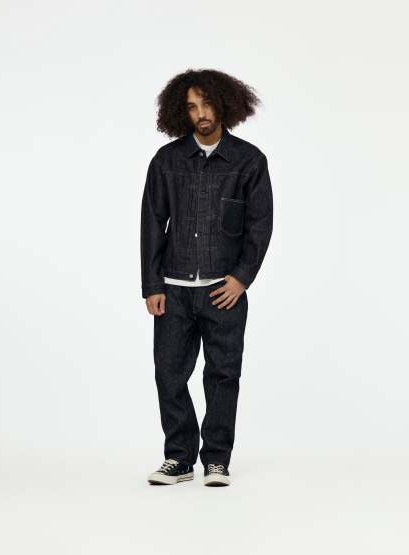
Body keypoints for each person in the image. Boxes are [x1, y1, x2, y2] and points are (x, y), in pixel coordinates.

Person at [140, 68, 273, 486]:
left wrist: (241, 278)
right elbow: (152, 223)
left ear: (224, 105)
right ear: (181, 112)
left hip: (223, 291)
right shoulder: (167, 161)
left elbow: (260, 225)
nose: (201, 113)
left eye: (207, 103)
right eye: (192, 106)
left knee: (223, 375)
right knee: (168, 374)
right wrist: (152, 285)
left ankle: (217, 459)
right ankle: (179, 458)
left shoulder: (250, 161)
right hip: (174, 290)